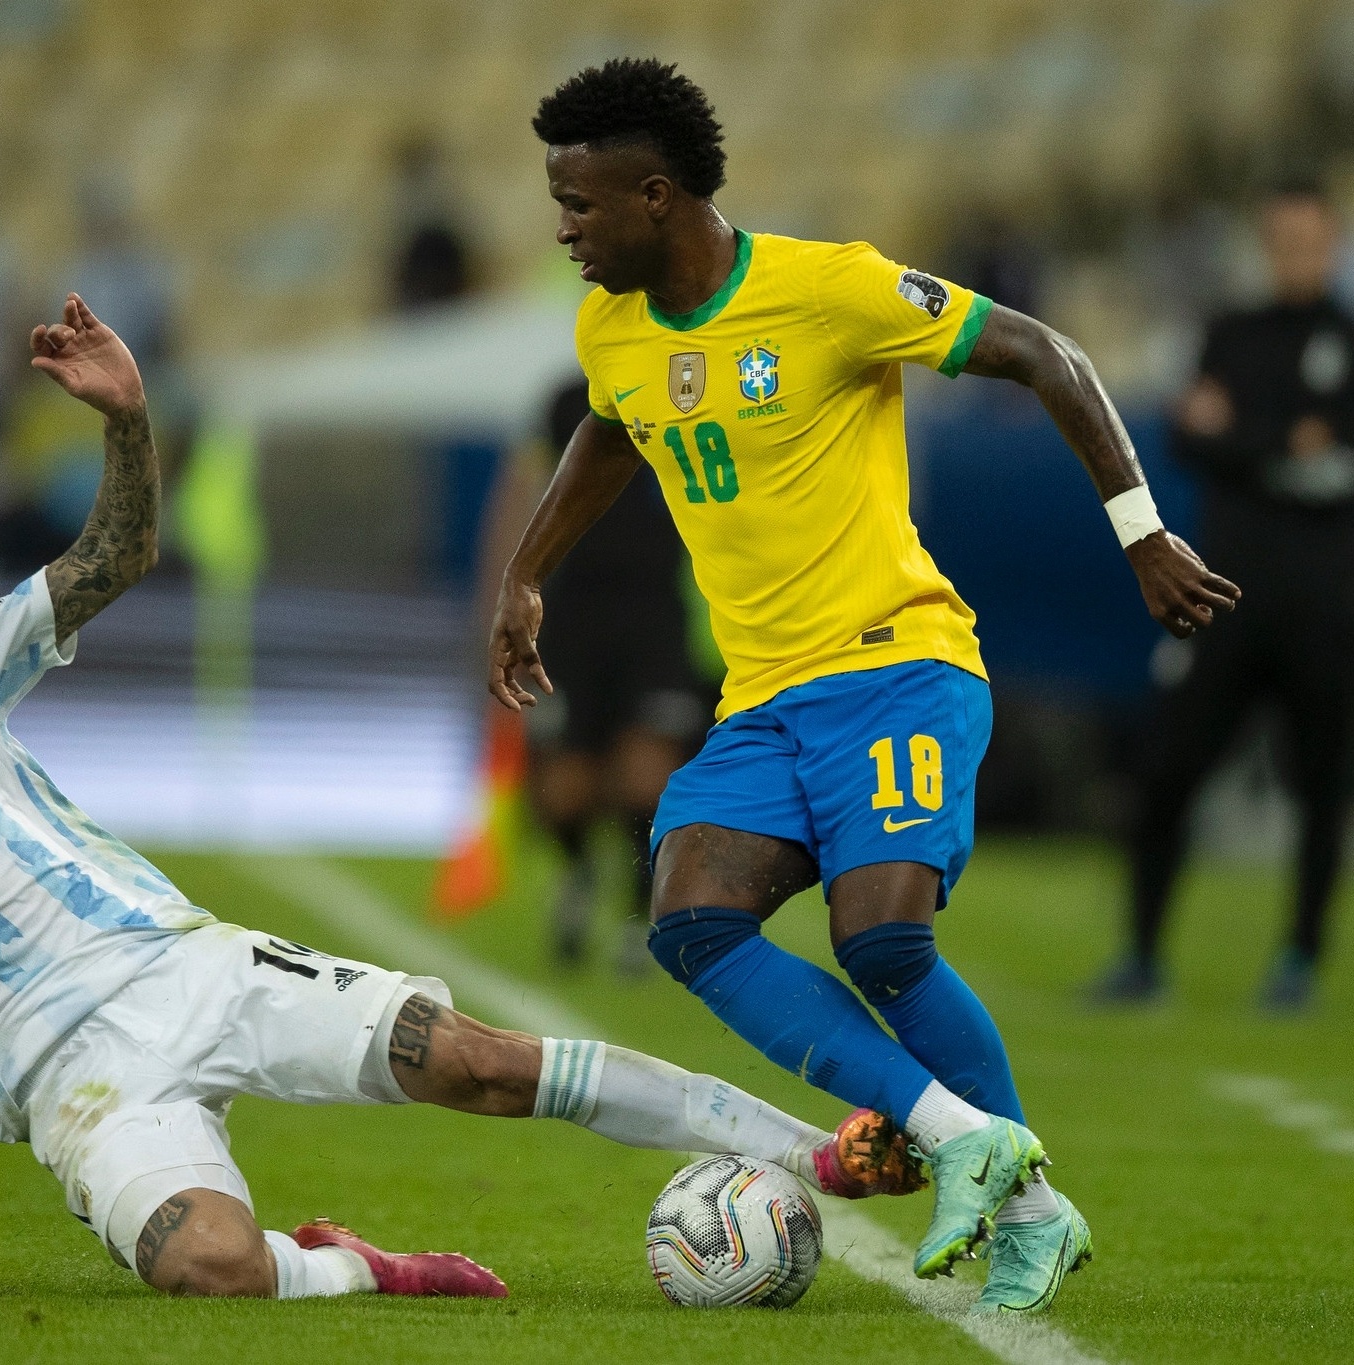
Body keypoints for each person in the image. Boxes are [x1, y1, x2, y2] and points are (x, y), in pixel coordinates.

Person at [0, 294, 922, 1298]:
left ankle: (807, 1151)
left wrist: (127, 421)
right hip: (64, 1082)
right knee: (210, 1268)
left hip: (175, 963)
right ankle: (360, 1265)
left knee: (472, 1060)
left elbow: (116, 555)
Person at [488, 58, 1241, 1315]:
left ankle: (989, 1169)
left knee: (880, 938)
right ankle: (1007, 1179)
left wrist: (1140, 531)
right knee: (687, 917)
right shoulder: (610, 327)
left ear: (657, 196)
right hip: (764, 699)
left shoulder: (826, 286)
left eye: (578, 202)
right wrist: (525, 576)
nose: (560, 225)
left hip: (899, 663)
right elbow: (611, 428)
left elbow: (1044, 352)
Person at [1098, 183, 1354, 1012]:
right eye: (1281, 239)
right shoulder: (1230, 332)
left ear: (1330, 242)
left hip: (1324, 608)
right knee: (1169, 771)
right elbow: (1183, 435)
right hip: (1221, 601)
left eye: (1308, 240)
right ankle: (1140, 954)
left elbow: (1263, 446)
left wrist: (1238, 436)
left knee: (1323, 786)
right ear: (1264, 241)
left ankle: (1300, 961)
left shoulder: (1345, 339)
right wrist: (1290, 443)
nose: (1294, 255)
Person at [521, 377, 713, 969]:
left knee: (645, 780)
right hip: (571, 619)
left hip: (654, 615)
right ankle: (578, 873)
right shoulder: (559, 402)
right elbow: (521, 494)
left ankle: (637, 913)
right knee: (564, 793)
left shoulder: (686, 379)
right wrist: (507, 598)